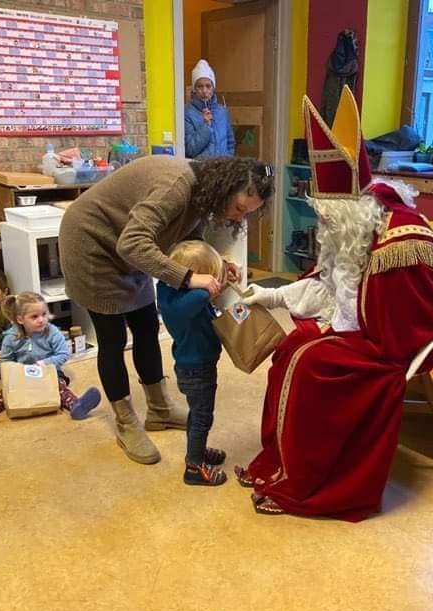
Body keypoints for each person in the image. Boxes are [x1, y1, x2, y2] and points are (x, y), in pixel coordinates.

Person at [235, 86, 433, 521]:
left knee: (312, 366)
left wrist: (339, 331)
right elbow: (330, 286)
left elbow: (407, 321)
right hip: (360, 329)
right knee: (289, 350)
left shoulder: (401, 237)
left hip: (392, 342)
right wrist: (272, 295)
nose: (324, 221)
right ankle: (282, 463)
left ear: (354, 205)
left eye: (330, 213)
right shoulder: (349, 229)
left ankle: (316, 482)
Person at [59, 155, 274, 465]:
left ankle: (159, 410)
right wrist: (188, 277)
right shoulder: (176, 186)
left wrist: (216, 263)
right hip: (92, 242)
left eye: (247, 214)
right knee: (112, 338)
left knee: (146, 326)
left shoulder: (204, 193)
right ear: (226, 188)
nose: (238, 218)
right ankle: (126, 422)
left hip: (128, 246)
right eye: (239, 208)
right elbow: (132, 244)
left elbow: (187, 236)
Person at [0, 292, 101, 427]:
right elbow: (6, 360)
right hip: (21, 376)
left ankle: (76, 405)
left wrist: (44, 363)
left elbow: (63, 354)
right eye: (34, 317)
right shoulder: (11, 337)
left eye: (44, 314)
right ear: (20, 319)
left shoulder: (52, 332)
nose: (41, 320)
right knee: (4, 395)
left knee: (60, 388)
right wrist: (15, 371)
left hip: (49, 373)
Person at [157, 240, 227, 484]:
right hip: (197, 369)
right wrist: (208, 286)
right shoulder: (184, 304)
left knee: (196, 414)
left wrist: (219, 273)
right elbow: (200, 295)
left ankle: (196, 451)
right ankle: (194, 468)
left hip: (192, 366)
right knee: (202, 417)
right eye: (210, 277)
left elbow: (197, 293)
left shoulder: (169, 293)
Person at [184, 59, 235, 159]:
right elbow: (190, 149)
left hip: (222, 166)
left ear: (213, 88)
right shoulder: (187, 112)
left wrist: (227, 161)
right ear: (194, 89)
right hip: (200, 167)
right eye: (200, 86)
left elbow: (230, 143)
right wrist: (206, 127)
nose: (204, 91)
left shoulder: (222, 112)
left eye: (208, 86)